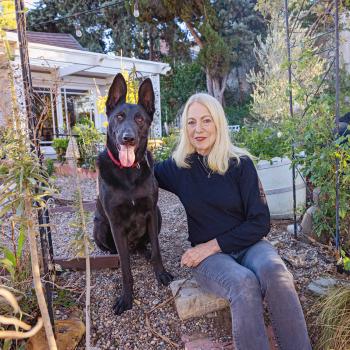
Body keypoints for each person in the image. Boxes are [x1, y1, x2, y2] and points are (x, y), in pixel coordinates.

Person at [154, 93, 311, 350]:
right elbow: (137, 171)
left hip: (248, 245)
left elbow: (260, 222)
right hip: (211, 262)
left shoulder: (241, 164)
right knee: (243, 282)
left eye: (206, 120)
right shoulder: (177, 167)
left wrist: (210, 245)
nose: (198, 129)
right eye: (191, 122)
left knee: (276, 273)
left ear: (218, 123)